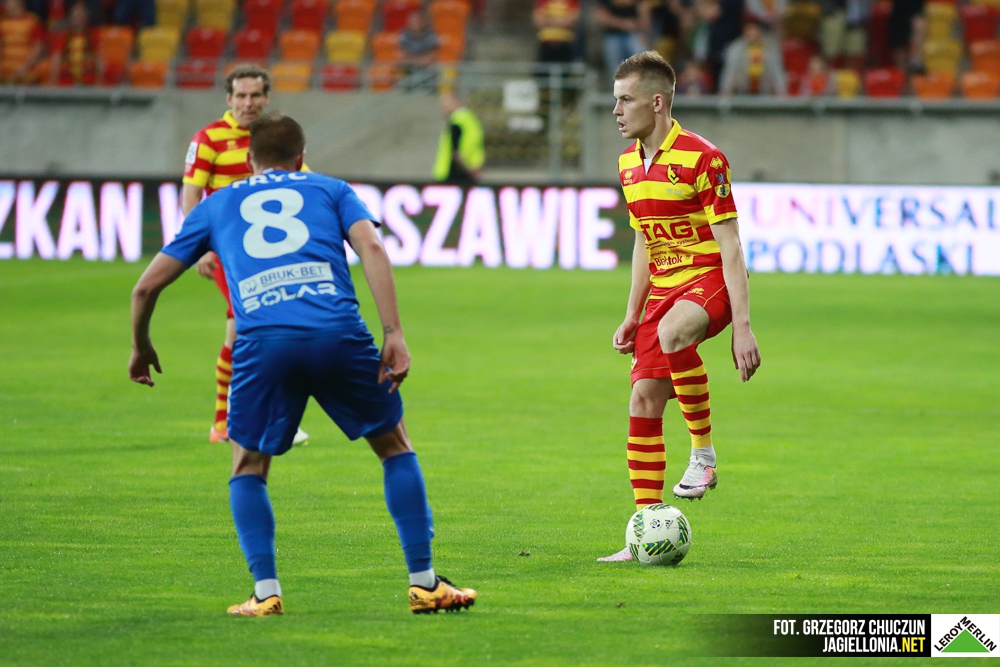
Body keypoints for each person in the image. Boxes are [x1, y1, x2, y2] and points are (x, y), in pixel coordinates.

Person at [129, 112, 478, 616]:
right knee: (394, 447)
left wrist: (141, 345)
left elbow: (145, 287)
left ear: (249, 160)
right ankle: (424, 584)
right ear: (300, 157)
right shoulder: (331, 189)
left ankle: (266, 593)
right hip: (338, 334)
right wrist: (393, 333)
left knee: (248, 465)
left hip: (263, 343)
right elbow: (372, 246)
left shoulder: (217, 204)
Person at [599, 51, 760, 562]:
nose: (616, 110)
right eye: (616, 100)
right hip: (664, 290)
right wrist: (632, 313)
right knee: (643, 399)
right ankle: (645, 531)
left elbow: (731, 245)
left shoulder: (704, 158)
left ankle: (703, 455)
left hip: (710, 279)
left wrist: (742, 327)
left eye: (625, 100)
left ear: (657, 102)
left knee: (673, 333)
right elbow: (644, 241)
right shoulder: (628, 164)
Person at [181, 64, 309, 446]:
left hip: (267, 253)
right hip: (226, 252)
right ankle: (263, 418)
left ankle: (225, 423)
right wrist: (199, 246)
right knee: (257, 326)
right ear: (229, 98)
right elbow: (191, 194)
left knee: (239, 332)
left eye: (255, 95)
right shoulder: (209, 139)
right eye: (241, 95)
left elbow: (304, 183)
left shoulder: (276, 138)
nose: (248, 103)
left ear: (266, 98)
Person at [718, 16, 787, 95]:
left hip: (765, 89)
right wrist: (725, 90)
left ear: (760, 31)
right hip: (742, 90)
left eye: (754, 30)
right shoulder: (736, 48)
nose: (751, 33)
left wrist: (781, 91)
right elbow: (730, 71)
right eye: (748, 30)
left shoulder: (770, 48)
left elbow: (777, 71)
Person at [433, 90, 484, 186]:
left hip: (455, 172)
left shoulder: (457, 121)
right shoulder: (470, 119)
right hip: (468, 169)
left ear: (457, 101)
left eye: (447, 102)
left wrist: (469, 168)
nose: (444, 106)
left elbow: (456, 151)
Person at [595, 0, 651, 79]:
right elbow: (601, 17)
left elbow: (644, 11)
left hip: (634, 33)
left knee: (641, 59)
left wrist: (644, 33)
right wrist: (624, 24)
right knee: (615, 68)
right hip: (613, 35)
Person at [0, 0, 44, 84]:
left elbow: (37, 47)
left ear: (18, 2)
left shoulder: (32, 21)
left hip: (26, 76)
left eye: (8, 1)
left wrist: (25, 67)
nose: (5, 4)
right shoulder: (2, 22)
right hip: (4, 74)